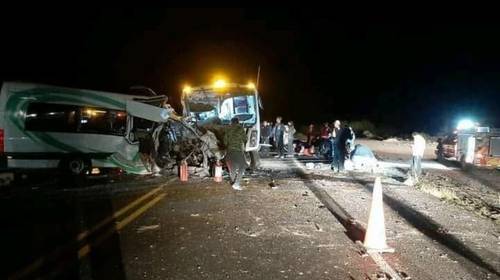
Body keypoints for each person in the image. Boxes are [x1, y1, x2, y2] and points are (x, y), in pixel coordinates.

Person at [223, 117, 248, 190]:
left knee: (233, 167)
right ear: (238, 122)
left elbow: (225, 141)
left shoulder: (228, 129)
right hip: (237, 150)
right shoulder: (240, 129)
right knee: (243, 166)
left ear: (231, 122)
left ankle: (233, 182)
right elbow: (245, 139)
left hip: (229, 151)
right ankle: (236, 184)